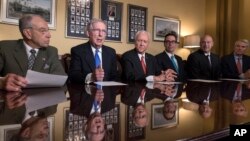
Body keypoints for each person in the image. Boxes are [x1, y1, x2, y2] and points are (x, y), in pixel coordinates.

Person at [0, 14, 66, 91]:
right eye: (43, 31)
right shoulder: (4, 47)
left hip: (41, 100)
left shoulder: (51, 51)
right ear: (28, 33)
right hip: (12, 100)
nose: (49, 35)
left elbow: (60, 77)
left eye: (48, 30)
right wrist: (1, 82)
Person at [69, 18, 118, 84]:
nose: (100, 34)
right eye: (97, 30)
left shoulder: (111, 52)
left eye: (103, 31)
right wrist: (91, 77)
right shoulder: (78, 51)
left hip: (106, 92)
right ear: (88, 33)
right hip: (86, 92)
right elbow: (73, 76)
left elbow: (114, 77)